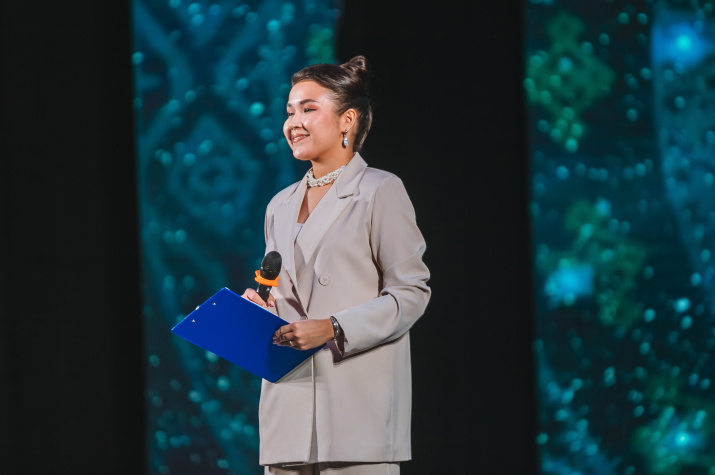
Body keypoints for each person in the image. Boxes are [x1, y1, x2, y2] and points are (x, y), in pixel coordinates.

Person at [242, 55, 431, 475]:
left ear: (347, 120)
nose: (293, 122)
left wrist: (333, 327)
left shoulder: (379, 190)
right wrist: (262, 312)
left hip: (355, 409)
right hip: (287, 407)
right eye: (289, 111)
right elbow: (289, 296)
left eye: (308, 109)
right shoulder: (279, 205)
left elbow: (411, 293)